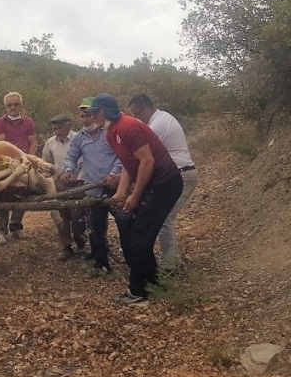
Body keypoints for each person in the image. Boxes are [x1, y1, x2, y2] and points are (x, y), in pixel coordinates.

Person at [85, 93, 183, 305]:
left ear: (106, 110)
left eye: (95, 112)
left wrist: (136, 196)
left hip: (164, 184)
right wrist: (121, 193)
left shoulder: (128, 126)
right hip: (153, 185)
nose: (93, 117)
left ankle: (138, 292)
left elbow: (146, 161)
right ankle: (154, 283)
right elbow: (128, 165)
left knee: (139, 238)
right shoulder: (112, 132)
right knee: (136, 234)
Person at [128, 93, 198, 270]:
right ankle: (169, 259)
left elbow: (146, 159)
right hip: (181, 172)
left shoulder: (156, 125)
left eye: (137, 114)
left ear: (146, 108)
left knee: (165, 218)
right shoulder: (161, 118)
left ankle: (170, 266)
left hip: (181, 173)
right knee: (163, 217)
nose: (137, 119)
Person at [60, 97, 123, 276]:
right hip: (93, 188)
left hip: (115, 186)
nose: (86, 119)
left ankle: (133, 260)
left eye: (88, 114)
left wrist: (116, 172)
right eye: (82, 116)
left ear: (96, 115)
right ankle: (100, 263)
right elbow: (71, 157)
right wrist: (68, 170)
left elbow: (122, 154)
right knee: (95, 226)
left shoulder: (109, 132)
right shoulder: (79, 138)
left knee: (124, 222)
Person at [0, 91, 37, 244]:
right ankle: (0, 230)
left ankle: (15, 226)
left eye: (15, 104)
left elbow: (33, 142)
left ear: (20, 105)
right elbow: (0, 145)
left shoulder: (29, 122)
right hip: (7, 163)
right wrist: (13, 161)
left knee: (25, 191)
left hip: (25, 161)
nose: (13, 107)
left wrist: (30, 159)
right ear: (5, 107)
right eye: (9, 105)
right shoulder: (0, 122)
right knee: (3, 193)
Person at [41, 114, 85, 261]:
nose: (57, 131)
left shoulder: (79, 139)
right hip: (59, 185)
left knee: (78, 216)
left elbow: (87, 160)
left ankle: (81, 246)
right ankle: (66, 248)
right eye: (54, 129)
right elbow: (45, 163)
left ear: (68, 125)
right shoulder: (50, 143)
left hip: (78, 183)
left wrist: (77, 175)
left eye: (60, 128)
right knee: (62, 218)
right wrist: (52, 179)